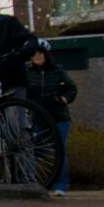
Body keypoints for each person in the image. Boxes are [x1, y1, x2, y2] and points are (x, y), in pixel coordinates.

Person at [26, 39, 77, 196]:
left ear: (46, 55)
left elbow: (71, 88)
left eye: (41, 53)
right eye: (35, 53)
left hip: (58, 116)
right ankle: (32, 182)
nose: (38, 56)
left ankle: (60, 186)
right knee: (32, 149)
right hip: (39, 117)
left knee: (59, 150)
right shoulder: (28, 73)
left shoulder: (57, 71)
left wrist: (63, 99)